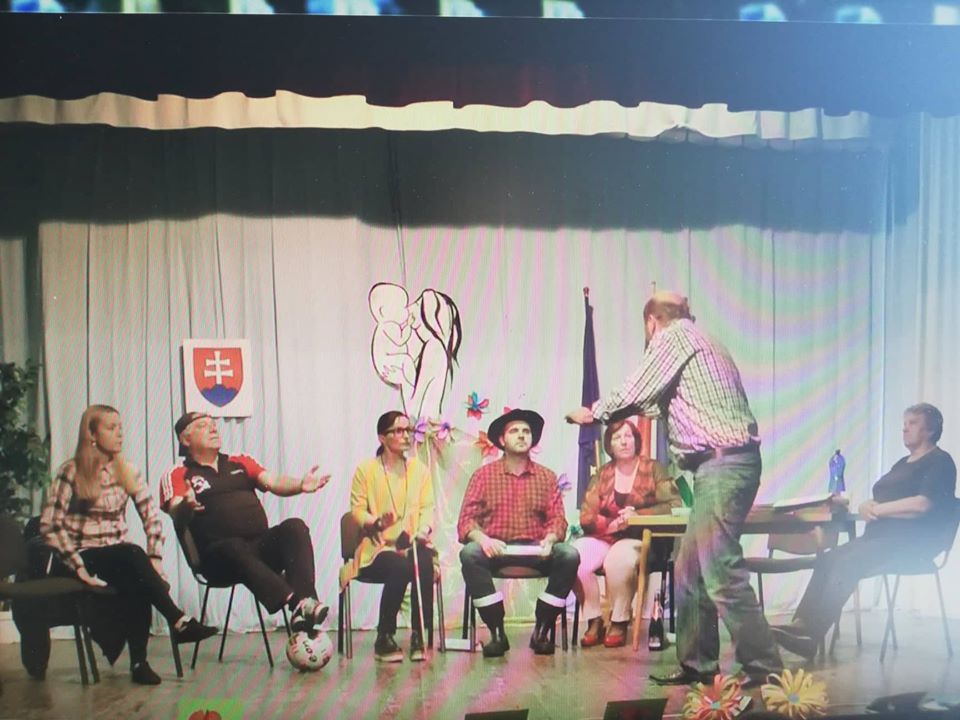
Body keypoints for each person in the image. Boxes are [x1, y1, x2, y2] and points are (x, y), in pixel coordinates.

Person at [566, 291, 782, 687]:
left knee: (719, 568)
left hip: (723, 464)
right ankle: (698, 665)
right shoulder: (704, 342)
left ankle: (765, 666)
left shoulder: (675, 336)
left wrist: (592, 413)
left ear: (652, 322)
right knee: (689, 569)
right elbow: (650, 403)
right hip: (722, 464)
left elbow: (636, 388)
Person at [40, 405, 218, 685]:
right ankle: (178, 620)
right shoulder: (71, 471)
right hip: (80, 557)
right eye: (111, 428)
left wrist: (155, 559)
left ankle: (139, 663)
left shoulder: (127, 471)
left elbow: (152, 518)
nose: (120, 433)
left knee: (139, 576)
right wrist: (78, 566)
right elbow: (50, 525)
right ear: (92, 434)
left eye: (121, 427)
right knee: (133, 555)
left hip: (117, 558)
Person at [772, 403, 957, 659]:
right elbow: (881, 496)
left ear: (931, 429)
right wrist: (865, 505)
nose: (904, 428)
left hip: (912, 543)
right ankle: (800, 625)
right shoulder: (902, 463)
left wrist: (878, 510)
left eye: (913, 423)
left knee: (848, 562)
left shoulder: (940, 462)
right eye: (904, 423)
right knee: (828, 559)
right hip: (880, 538)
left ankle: (811, 637)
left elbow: (922, 505)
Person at [159, 412, 330, 638]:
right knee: (232, 546)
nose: (213, 429)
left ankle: (305, 604)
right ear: (185, 439)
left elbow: (273, 481)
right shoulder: (178, 473)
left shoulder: (239, 461)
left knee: (294, 527)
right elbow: (175, 511)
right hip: (218, 559)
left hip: (258, 550)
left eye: (213, 424)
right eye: (203, 426)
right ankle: (295, 602)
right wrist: (185, 505)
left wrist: (300, 485)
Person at [457, 408, 579, 657]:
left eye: (526, 431)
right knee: (470, 553)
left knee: (569, 554)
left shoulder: (546, 477)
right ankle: (497, 632)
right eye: (514, 431)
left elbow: (558, 519)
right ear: (502, 440)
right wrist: (483, 539)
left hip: (536, 549)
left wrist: (550, 539)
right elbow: (466, 521)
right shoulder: (483, 476)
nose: (522, 435)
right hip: (496, 550)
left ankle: (542, 629)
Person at [574, 418, 681, 648]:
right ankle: (594, 619)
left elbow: (674, 505)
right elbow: (586, 516)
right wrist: (612, 524)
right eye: (617, 437)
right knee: (575, 557)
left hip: (640, 537)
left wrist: (637, 515)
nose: (623, 442)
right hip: (606, 535)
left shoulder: (653, 469)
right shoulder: (602, 473)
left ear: (636, 441)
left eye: (628, 436)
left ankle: (619, 620)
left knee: (617, 560)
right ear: (609, 444)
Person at [341, 411, 436, 663]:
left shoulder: (420, 470)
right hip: (378, 548)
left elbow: (428, 508)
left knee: (423, 559)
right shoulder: (366, 470)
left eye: (408, 430)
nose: (406, 436)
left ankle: (419, 633)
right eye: (399, 431)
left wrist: (423, 531)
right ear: (382, 438)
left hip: (412, 542)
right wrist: (376, 522)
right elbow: (357, 510)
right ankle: (384, 635)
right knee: (400, 565)